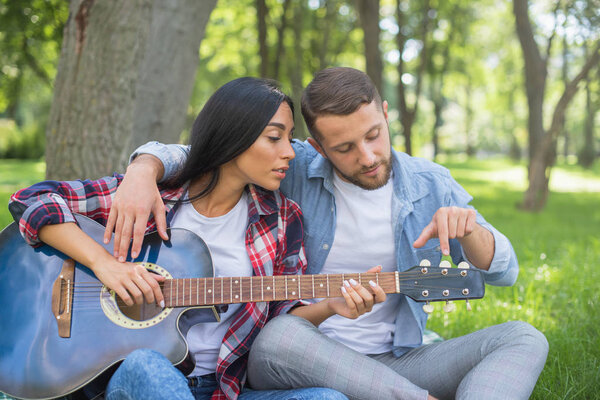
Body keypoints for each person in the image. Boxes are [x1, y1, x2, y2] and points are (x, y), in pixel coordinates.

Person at [109, 68, 549, 400]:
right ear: (317, 147)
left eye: (375, 135)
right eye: (345, 148)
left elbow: (504, 273)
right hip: (298, 353)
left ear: (386, 114)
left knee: (523, 337)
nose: (369, 156)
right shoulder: (291, 166)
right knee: (280, 334)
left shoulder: (431, 183)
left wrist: (470, 231)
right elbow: (211, 151)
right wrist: (143, 168)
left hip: (396, 362)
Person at [8, 77, 375, 400]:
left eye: (290, 139)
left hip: (223, 389)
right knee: (148, 367)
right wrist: (105, 266)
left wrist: (330, 307)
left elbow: (282, 315)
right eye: (275, 138)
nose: (290, 153)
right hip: (135, 382)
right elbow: (31, 201)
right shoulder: (152, 194)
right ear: (234, 135)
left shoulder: (281, 220)